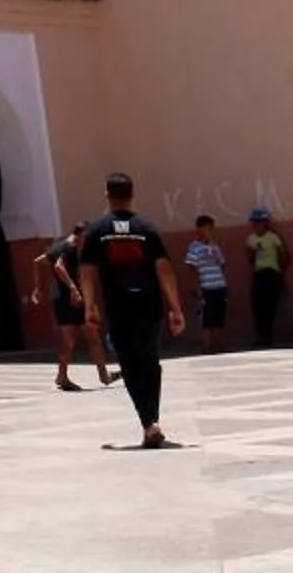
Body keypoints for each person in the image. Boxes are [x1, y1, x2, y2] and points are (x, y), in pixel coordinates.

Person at [79, 172, 186, 449]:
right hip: (150, 306)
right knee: (150, 361)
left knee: (130, 364)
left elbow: (88, 272)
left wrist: (89, 306)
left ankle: (148, 422)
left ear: (107, 195)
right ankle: (152, 421)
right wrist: (175, 308)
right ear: (132, 194)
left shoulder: (97, 230)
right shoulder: (146, 228)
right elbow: (164, 269)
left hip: (119, 308)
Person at [44, 227, 113, 391]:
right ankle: (104, 375)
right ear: (81, 235)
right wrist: (74, 289)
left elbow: (39, 261)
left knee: (69, 339)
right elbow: (59, 267)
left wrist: (39, 288)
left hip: (59, 298)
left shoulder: (57, 247)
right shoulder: (70, 248)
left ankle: (62, 375)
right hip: (72, 299)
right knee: (92, 336)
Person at [184, 214, 231, 353]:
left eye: (212, 229)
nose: (210, 232)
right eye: (207, 228)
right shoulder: (194, 247)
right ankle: (207, 346)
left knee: (219, 316)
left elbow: (222, 264)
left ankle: (219, 344)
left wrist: (224, 284)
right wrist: (196, 287)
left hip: (219, 285)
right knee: (207, 318)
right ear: (199, 229)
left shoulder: (214, 246)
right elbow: (192, 267)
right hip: (206, 287)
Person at [243, 207, 290, 348]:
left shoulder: (273, 237)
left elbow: (283, 254)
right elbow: (250, 256)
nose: (256, 225)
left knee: (270, 306)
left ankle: (267, 337)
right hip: (259, 273)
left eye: (260, 222)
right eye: (254, 222)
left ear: (266, 223)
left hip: (272, 273)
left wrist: (280, 271)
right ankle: (260, 335)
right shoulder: (251, 239)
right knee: (257, 306)